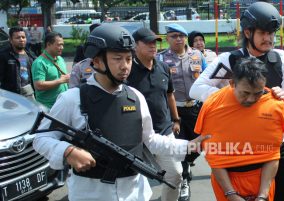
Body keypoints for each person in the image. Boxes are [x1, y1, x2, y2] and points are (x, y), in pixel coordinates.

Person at [32, 24, 208, 201]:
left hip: (135, 194)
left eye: (129, 59)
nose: (125, 66)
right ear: (97, 61)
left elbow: (151, 140)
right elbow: (41, 138)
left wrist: (190, 145)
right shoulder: (72, 99)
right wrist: (67, 151)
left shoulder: (136, 97)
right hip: (91, 195)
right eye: (117, 59)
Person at [189, 2, 284, 201]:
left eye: (272, 33)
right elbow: (196, 89)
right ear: (248, 33)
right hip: (240, 144)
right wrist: (233, 96)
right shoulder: (229, 60)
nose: (269, 38)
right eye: (263, 33)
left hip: (277, 141)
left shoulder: (281, 58)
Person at [194, 57, 284, 201]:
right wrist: (230, 194)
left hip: (262, 180)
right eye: (245, 93)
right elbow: (214, 157)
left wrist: (262, 196)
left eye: (257, 93)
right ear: (232, 83)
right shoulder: (213, 106)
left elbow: (273, 154)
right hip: (226, 182)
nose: (251, 99)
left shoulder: (274, 105)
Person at [127, 27, 182, 201]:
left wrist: (175, 119)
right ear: (136, 45)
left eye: (155, 42)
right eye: (148, 42)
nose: (153, 46)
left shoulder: (163, 67)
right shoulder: (127, 71)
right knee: (132, 181)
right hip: (135, 135)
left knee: (175, 175)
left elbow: (169, 94)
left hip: (164, 131)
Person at [157, 23, 206, 201]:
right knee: (179, 147)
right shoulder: (160, 58)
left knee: (199, 143)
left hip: (195, 107)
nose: (178, 39)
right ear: (167, 38)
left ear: (186, 38)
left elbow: (208, 77)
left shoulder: (197, 55)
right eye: (173, 36)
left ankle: (188, 162)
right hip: (174, 109)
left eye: (181, 36)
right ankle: (184, 178)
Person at [31, 32, 69, 108]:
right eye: (59, 45)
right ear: (48, 45)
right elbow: (38, 85)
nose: (62, 47)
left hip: (63, 105)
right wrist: (60, 81)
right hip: (48, 108)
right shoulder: (39, 63)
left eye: (62, 45)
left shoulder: (60, 59)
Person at [0, 26, 36, 99]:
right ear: (10, 40)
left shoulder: (31, 55)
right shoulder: (3, 55)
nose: (21, 40)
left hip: (29, 93)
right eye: (18, 38)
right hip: (10, 96)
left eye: (23, 37)